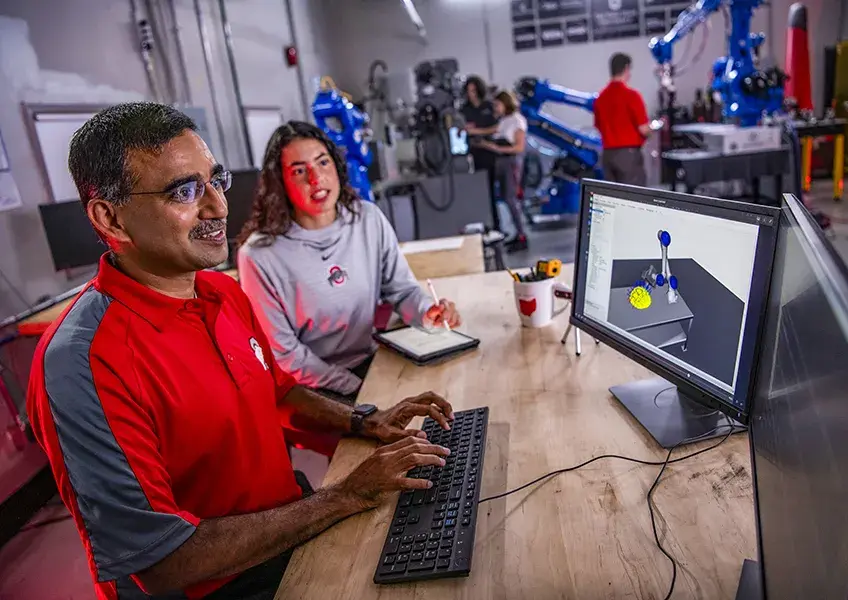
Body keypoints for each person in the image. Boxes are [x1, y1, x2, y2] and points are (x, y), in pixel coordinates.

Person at [27, 102, 454, 599]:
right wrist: (344, 495)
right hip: (225, 584)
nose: (217, 208)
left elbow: (278, 392)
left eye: (216, 180)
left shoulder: (221, 294)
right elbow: (161, 561)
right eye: (184, 191)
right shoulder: (83, 362)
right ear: (111, 218)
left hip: (290, 524)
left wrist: (363, 420)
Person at [236, 122, 461, 401]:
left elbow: (401, 290)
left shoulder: (367, 218)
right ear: (279, 182)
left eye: (322, 163)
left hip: (372, 362)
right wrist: (355, 389)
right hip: (311, 387)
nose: (316, 179)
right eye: (299, 171)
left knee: (452, 396)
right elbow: (285, 354)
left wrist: (427, 313)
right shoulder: (259, 256)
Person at [473, 90, 529, 252]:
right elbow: (491, 131)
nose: (495, 108)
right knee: (506, 198)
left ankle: (522, 235)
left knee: (511, 199)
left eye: (498, 104)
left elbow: (519, 147)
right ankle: (517, 234)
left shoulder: (517, 121)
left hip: (511, 163)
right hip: (502, 162)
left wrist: (495, 147)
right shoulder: (505, 121)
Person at [593, 52, 653, 186]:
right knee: (634, 198)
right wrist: (652, 131)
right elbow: (643, 129)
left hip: (607, 156)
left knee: (614, 199)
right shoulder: (632, 96)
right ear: (626, 68)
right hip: (628, 156)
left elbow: (598, 126)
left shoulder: (600, 98)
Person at [461, 75, 500, 229]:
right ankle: (487, 225)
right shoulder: (465, 110)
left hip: (490, 152)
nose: (472, 94)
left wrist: (478, 131)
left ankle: (497, 225)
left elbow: (497, 127)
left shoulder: (488, 106)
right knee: (481, 193)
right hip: (474, 153)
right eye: (469, 91)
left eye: (474, 91)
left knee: (493, 193)